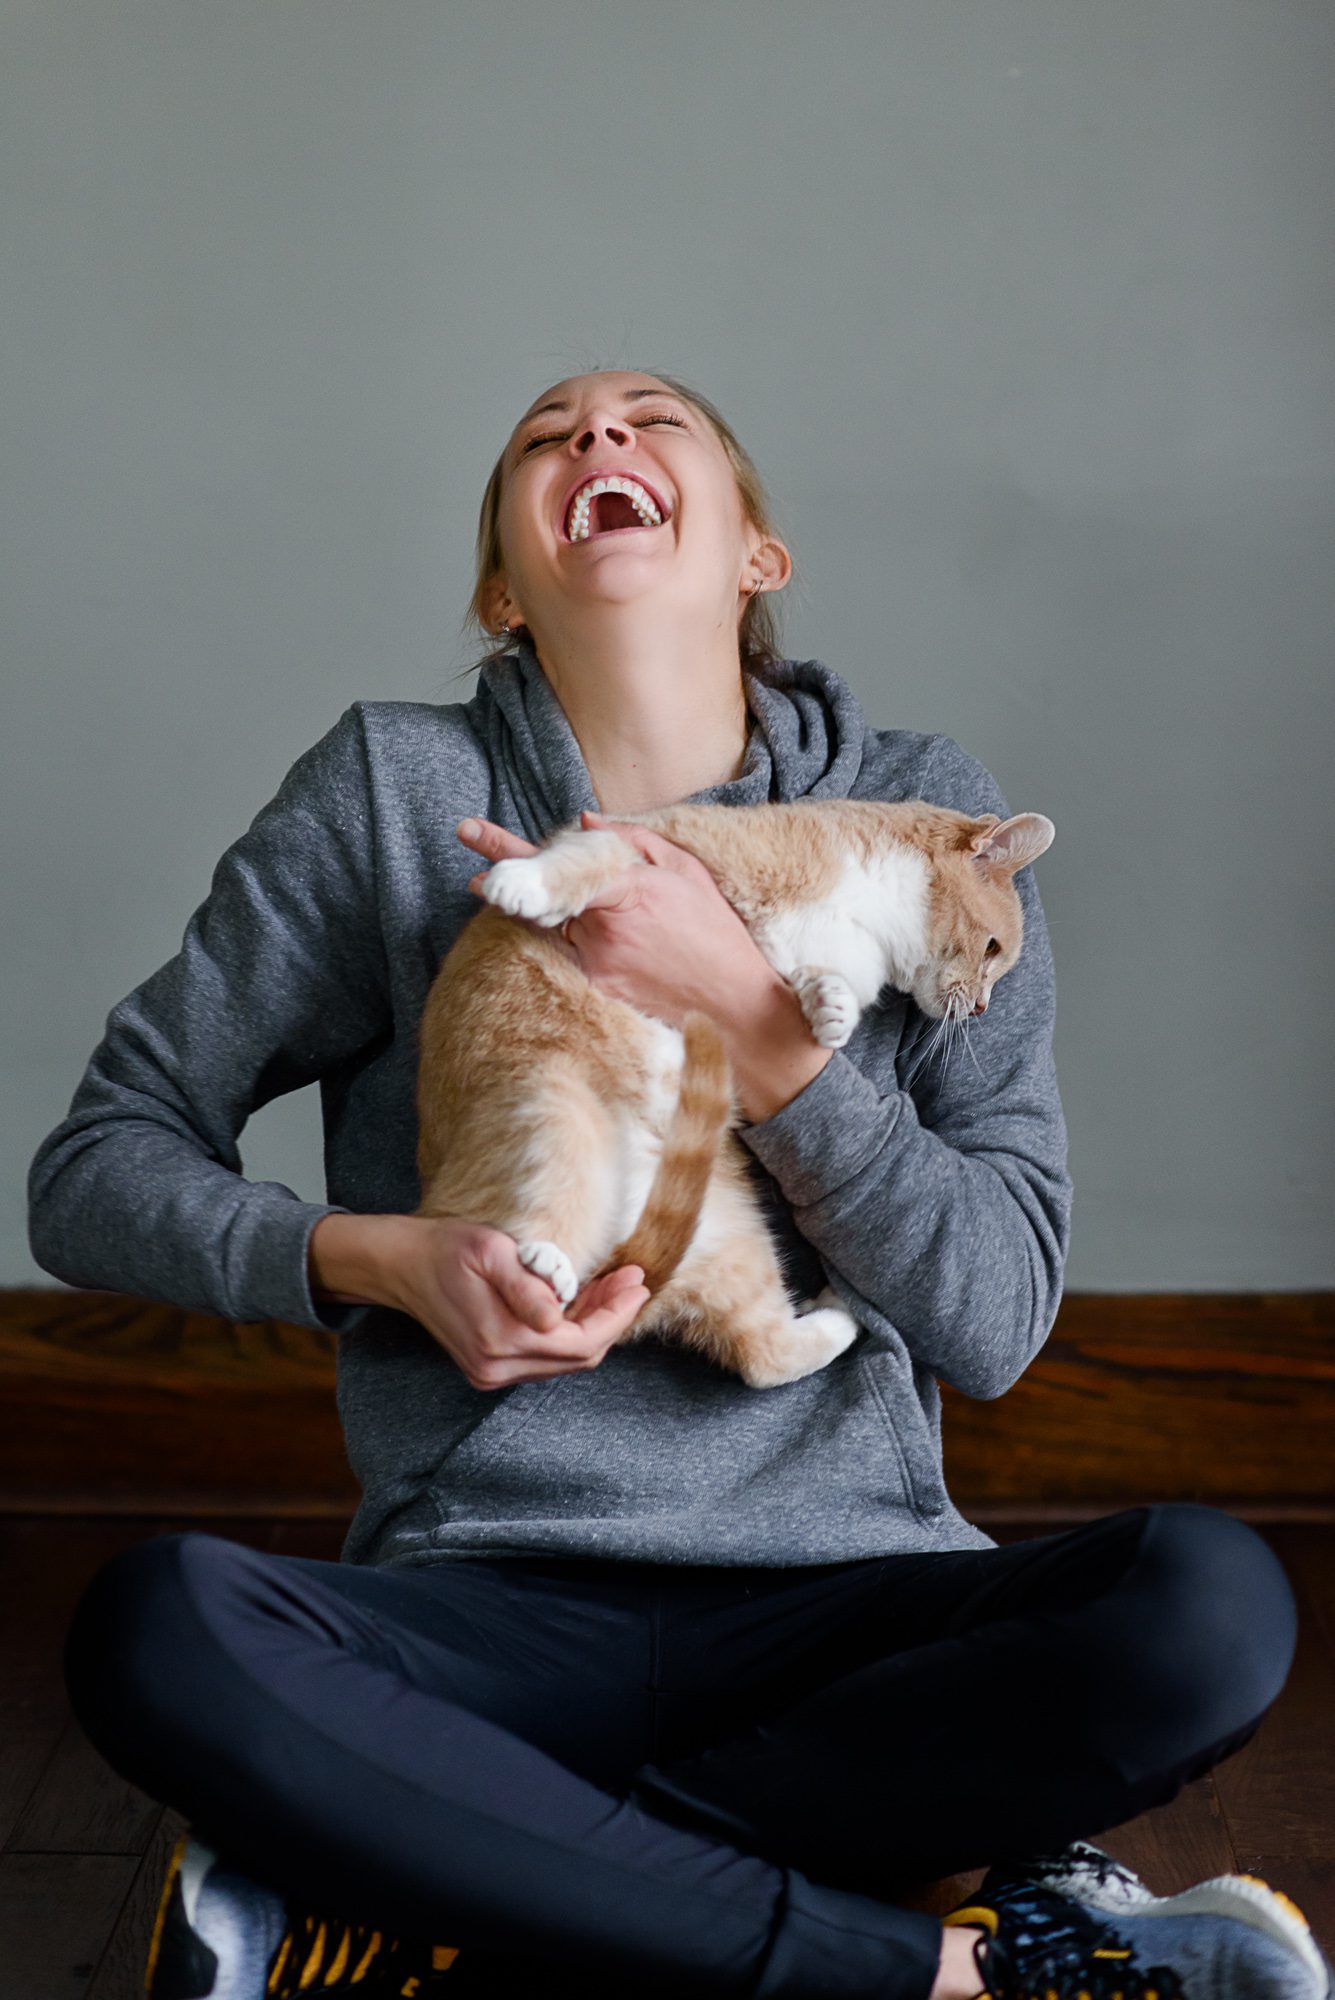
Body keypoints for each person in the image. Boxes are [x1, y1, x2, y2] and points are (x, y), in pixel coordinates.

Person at [30, 370, 1329, 2000]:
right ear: (506, 581)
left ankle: (436, 1880)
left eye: (655, 419)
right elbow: (93, 1167)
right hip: (491, 1612)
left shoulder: (937, 825)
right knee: (159, 1625)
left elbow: (995, 1319)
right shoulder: (389, 795)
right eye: (545, 434)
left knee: (1209, 1605)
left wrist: (757, 1027)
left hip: (856, 1615)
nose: (596, 437)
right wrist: (381, 1258)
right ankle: (940, 1960)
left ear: (757, 558)